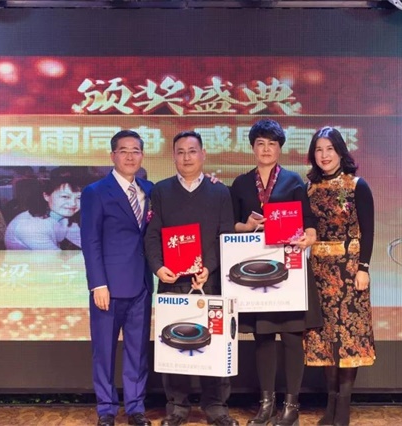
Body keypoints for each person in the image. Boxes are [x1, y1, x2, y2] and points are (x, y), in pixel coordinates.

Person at [230, 119, 322, 426]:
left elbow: (309, 223)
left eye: (272, 144)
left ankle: (291, 406)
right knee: (264, 338)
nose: (266, 149)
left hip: (289, 271)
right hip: (255, 273)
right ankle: (266, 404)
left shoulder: (293, 181)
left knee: (293, 338)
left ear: (280, 148)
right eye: (260, 144)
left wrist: (308, 236)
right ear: (252, 148)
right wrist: (248, 226)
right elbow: (231, 225)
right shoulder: (241, 184)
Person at [144, 131, 238, 426]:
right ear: (173, 156)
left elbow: (225, 235)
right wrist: (158, 267)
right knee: (174, 341)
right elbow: (152, 234)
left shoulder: (220, 192)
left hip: (210, 280)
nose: (187, 157)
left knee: (215, 342)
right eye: (181, 152)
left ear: (203, 154)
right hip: (172, 280)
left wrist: (209, 267)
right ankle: (177, 406)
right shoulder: (161, 190)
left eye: (192, 151)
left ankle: (216, 406)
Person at [303, 126, 376, 426]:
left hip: (349, 271)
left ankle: (343, 409)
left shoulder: (357, 185)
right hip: (319, 272)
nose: (324, 155)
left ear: (340, 151)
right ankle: (330, 407)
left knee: (348, 339)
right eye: (319, 150)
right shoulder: (309, 188)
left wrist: (363, 269)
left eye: (329, 149)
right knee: (326, 339)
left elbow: (368, 231)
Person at [80, 130, 154, 426]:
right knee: (104, 351)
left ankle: (135, 408)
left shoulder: (150, 189)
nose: (130, 156)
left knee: (137, 352)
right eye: (123, 151)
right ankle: (107, 410)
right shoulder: (96, 191)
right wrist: (98, 284)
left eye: (135, 150)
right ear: (113, 155)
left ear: (142, 155)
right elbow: (90, 241)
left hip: (141, 285)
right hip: (107, 288)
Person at [4, 168, 82, 250]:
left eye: (79, 198)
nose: (73, 203)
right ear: (46, 196)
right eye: (65, 196)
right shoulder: (31, 227)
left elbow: (82, 239)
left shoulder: (61, 214)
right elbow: (56, 257)